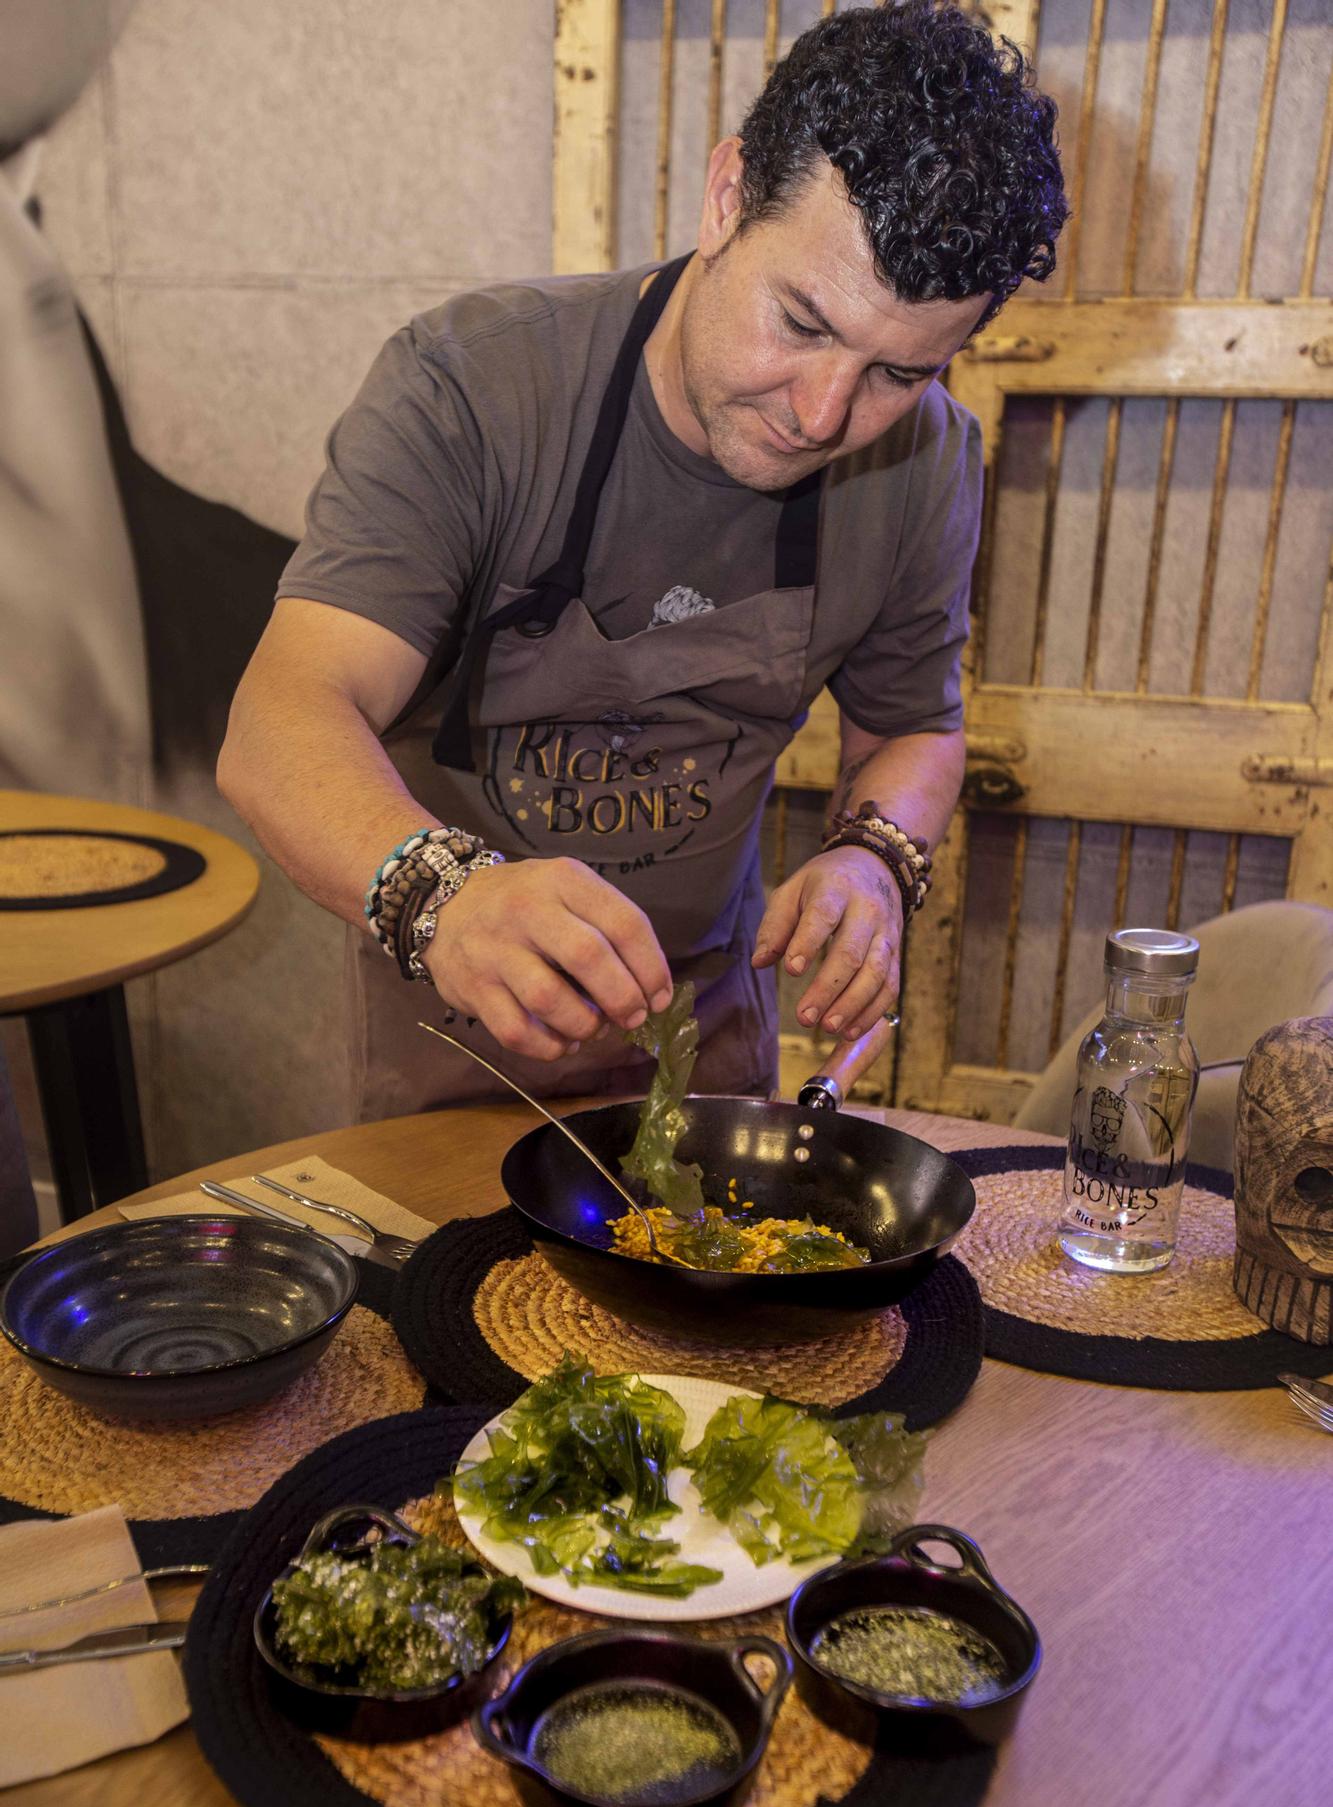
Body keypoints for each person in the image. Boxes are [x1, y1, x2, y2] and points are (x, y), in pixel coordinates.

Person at [218, 1, 1067, 1119]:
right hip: (453, 1039)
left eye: (895, 372)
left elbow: (916, 724)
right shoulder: (473, 389)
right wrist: (447, 896)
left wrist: (874, 857)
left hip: (707, 1042)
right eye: (802, 323)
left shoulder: (926, 461)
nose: (821, 414)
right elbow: (280, 722)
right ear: (726, 198)